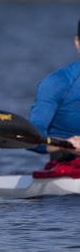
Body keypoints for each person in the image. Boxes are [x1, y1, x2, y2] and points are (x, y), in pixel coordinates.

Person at [28, 18, 80, 174]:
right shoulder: (56, 84)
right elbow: (32, 139)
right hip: (68, 168)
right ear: (78, 43)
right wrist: (65, 144)